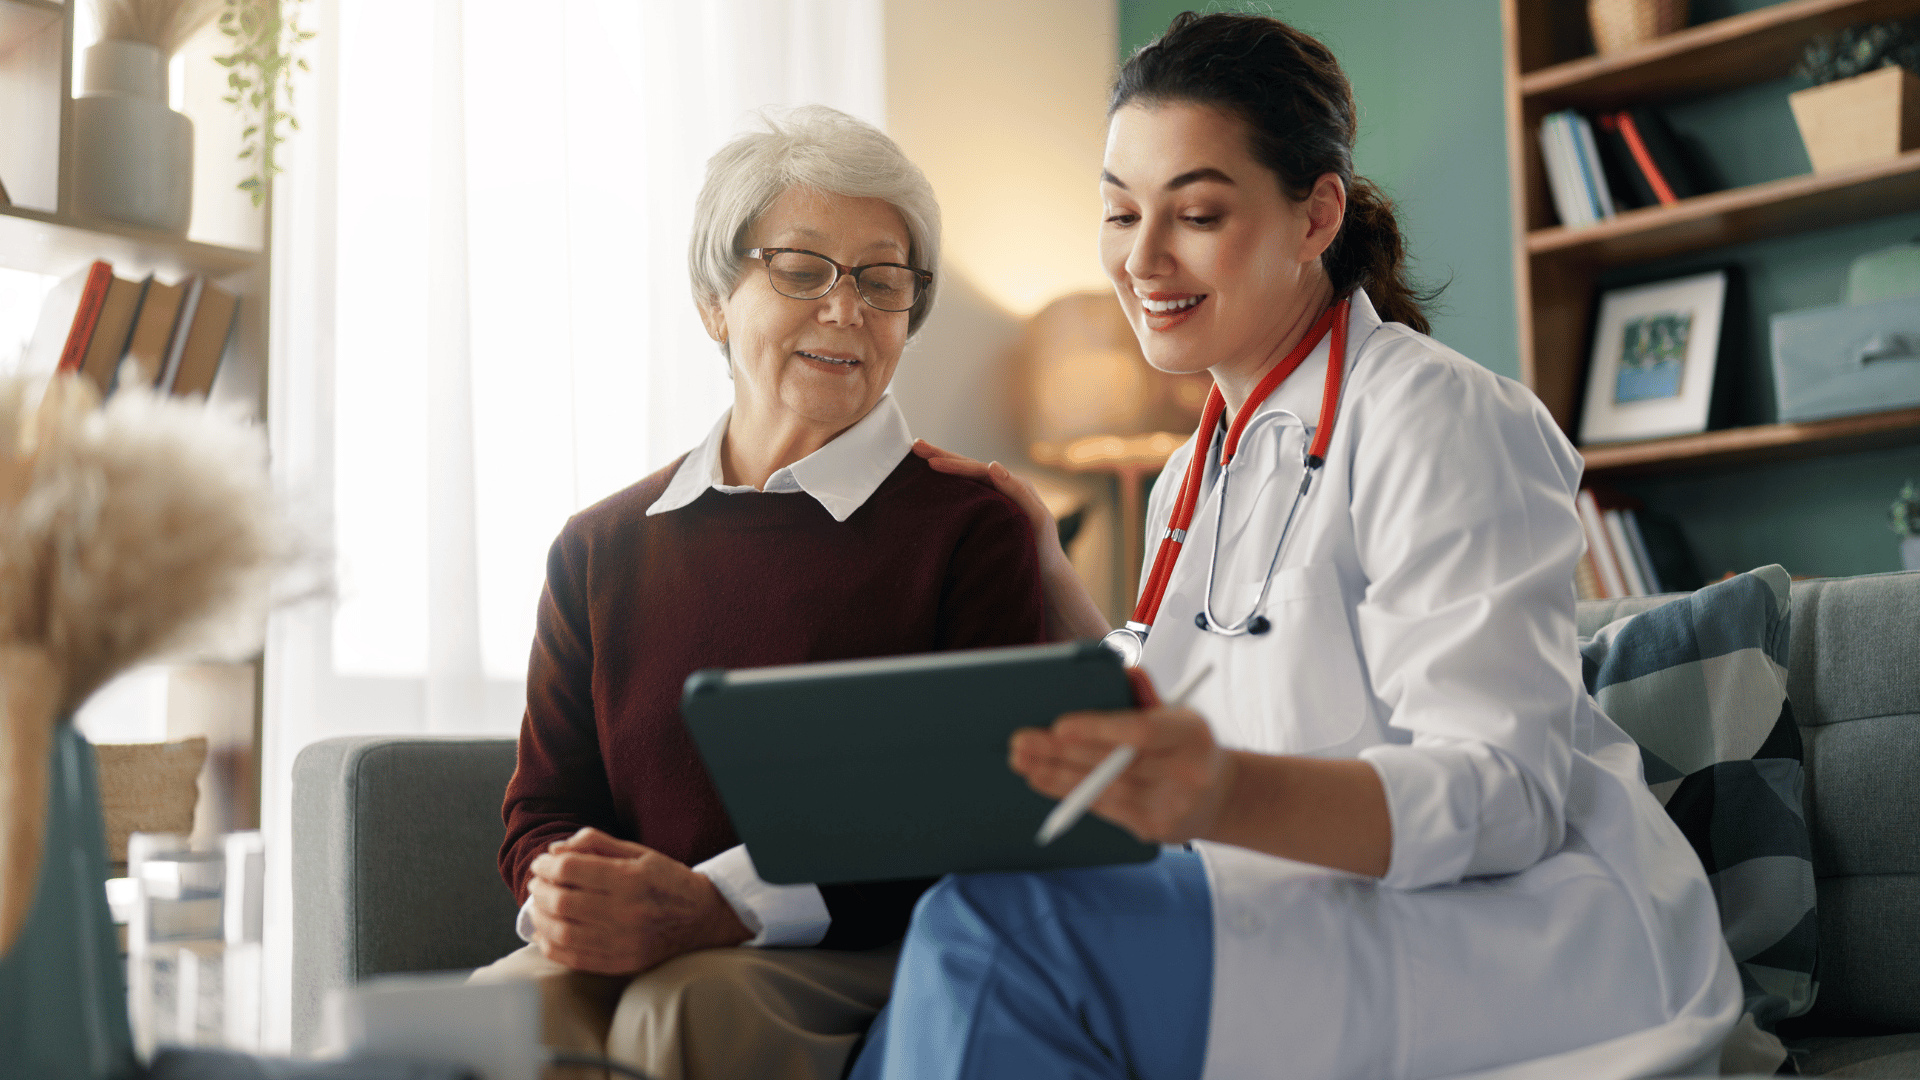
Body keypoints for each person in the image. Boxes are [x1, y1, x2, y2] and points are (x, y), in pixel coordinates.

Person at [850, 12, 1741, 1080]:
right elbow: (1184, 694)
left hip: (1526, 940)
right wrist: (1044, 565)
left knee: (998, 935)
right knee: (942, 952)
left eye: (1196, 213)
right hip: (1305, 903)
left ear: (1317, 214)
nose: (1142, 258)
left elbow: (1507, 795)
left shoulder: (1435, 416)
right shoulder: (1194, 473)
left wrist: (1225, 794)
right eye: (1121, 212)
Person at [470, 105, 1047, 1080]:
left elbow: (970, 810)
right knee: (505, 1012)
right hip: (642, 946)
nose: (846, 309)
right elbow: (544, 806)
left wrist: (726, 905)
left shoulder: (969, 527)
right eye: (803, 269)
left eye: (881, 279)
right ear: (714, 303)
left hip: (871, 946)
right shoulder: (598, 547)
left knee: (685, 1005)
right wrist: (571, 894)